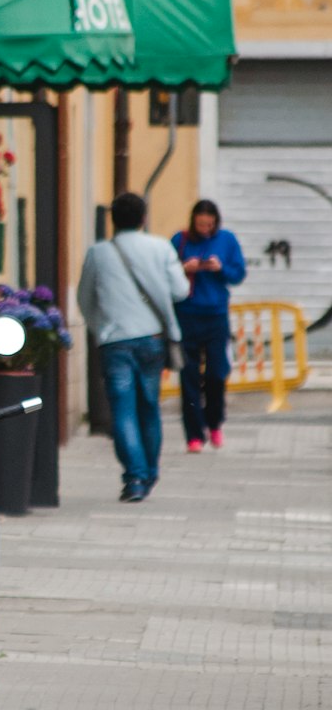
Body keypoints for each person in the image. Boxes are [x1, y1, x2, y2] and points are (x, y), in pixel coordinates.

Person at [77, 192, 190, 503]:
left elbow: (85, 299)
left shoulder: (98, 253)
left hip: (115, 341)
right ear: (143, 218)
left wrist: (100, 327)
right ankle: (149, 471)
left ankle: (135, 477)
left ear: (113, 219)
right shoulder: (160, 248)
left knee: (123, 411)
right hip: (152, 338)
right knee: (148, 406)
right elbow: (181, 291)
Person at [171, 200, 246, 453]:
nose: (205, 229)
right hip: (187, 315)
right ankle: (193, 434)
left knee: (216, 373)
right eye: (201, 224)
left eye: (210, 225)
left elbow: (238, 274)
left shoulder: (226, 240)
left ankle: (214, 422)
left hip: (215, 315)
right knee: (189, 375)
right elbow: (166, 272)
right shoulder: (179, 240)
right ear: (193, 221)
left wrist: (220, 268)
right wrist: (185, 268)